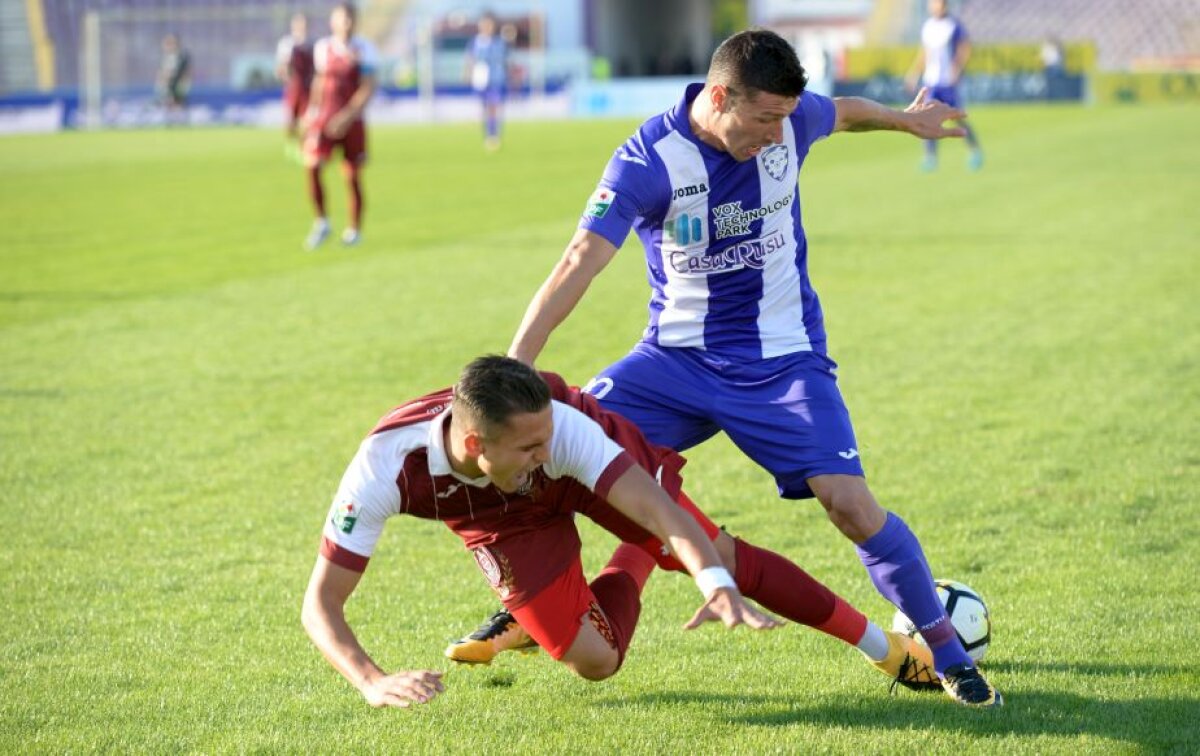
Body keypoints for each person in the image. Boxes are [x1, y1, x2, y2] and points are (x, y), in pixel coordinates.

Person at [451, 29, 1001, 708]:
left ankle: (949, 656)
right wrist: (516, 370)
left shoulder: (791, 121)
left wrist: (906, 120)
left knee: (852, 506)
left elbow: (846, 111)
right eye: (764, 119)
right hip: (671, 362)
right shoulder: (648, 160)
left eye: (784, 120)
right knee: (549, 448)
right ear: (718, 96)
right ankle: (534, 609)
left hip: (783, 360)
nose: (777, 135)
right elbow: (580, 260)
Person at [303, 356, 941, 708]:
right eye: (529, 446)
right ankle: (601, 572)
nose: (542, 451)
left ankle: (886, 648)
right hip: (496, 520)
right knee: (596, 663)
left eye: (546, 437)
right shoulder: (385, 468)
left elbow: (664, 512)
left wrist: (712, 579)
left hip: (592, 469)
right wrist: (370, 679)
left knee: (709, 546)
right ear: (474, 444)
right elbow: (321, 604)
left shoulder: (564, 433)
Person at [301, 2, 378, 250]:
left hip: (352, 122)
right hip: (325, 119)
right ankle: (322, 221)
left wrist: (346, 116)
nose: (346, 23)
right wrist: (311, 112)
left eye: (350, 19)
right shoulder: (324, 48)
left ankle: (354, 230)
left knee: (352, 176)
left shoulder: (364, 49)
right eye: (341, 19)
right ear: (333, 21)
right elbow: (320, 82)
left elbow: (367, 88)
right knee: (312, 165)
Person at [905, 0, 983, 171]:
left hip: (948, 82)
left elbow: (965, 48)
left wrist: (957, 68)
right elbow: (924, 53)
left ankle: (975, 150)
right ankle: (930, 157)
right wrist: (913, 73)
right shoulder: (928, 26)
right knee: (927, 118)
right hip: (931, 82)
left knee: (957, 118)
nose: (934, 6)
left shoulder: (953, 25)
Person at [464, 12, 509, 151]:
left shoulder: (498, 42)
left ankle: (493, 135)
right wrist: (468, 74)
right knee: (485, 108)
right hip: (481, 80)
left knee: (493, 107)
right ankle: (489, 134)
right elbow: (470, 59)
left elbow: (503, 60)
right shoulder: (475, 42)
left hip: (495, 78)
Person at [276, 13, 315, 159]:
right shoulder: (287, 44)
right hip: (293, 88)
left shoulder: (312, 44)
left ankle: (303, 146)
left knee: (307, 120)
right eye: (299, 23)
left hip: (308, 88)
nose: (301, 27)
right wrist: (284, 74)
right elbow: (281, 67)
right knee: (290, 121)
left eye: (304, 23)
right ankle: (290, 144)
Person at [156, 33, 190, 124]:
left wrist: (184, 84)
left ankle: (179, 122)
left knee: (177, 104)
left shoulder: (182, 57)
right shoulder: (165, 57)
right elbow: (162, 73)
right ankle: (170, 122)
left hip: (176, 85)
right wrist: (161, 83)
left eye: (171, 43)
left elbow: (184, 73)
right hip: (167, 86)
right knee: (168, 104)